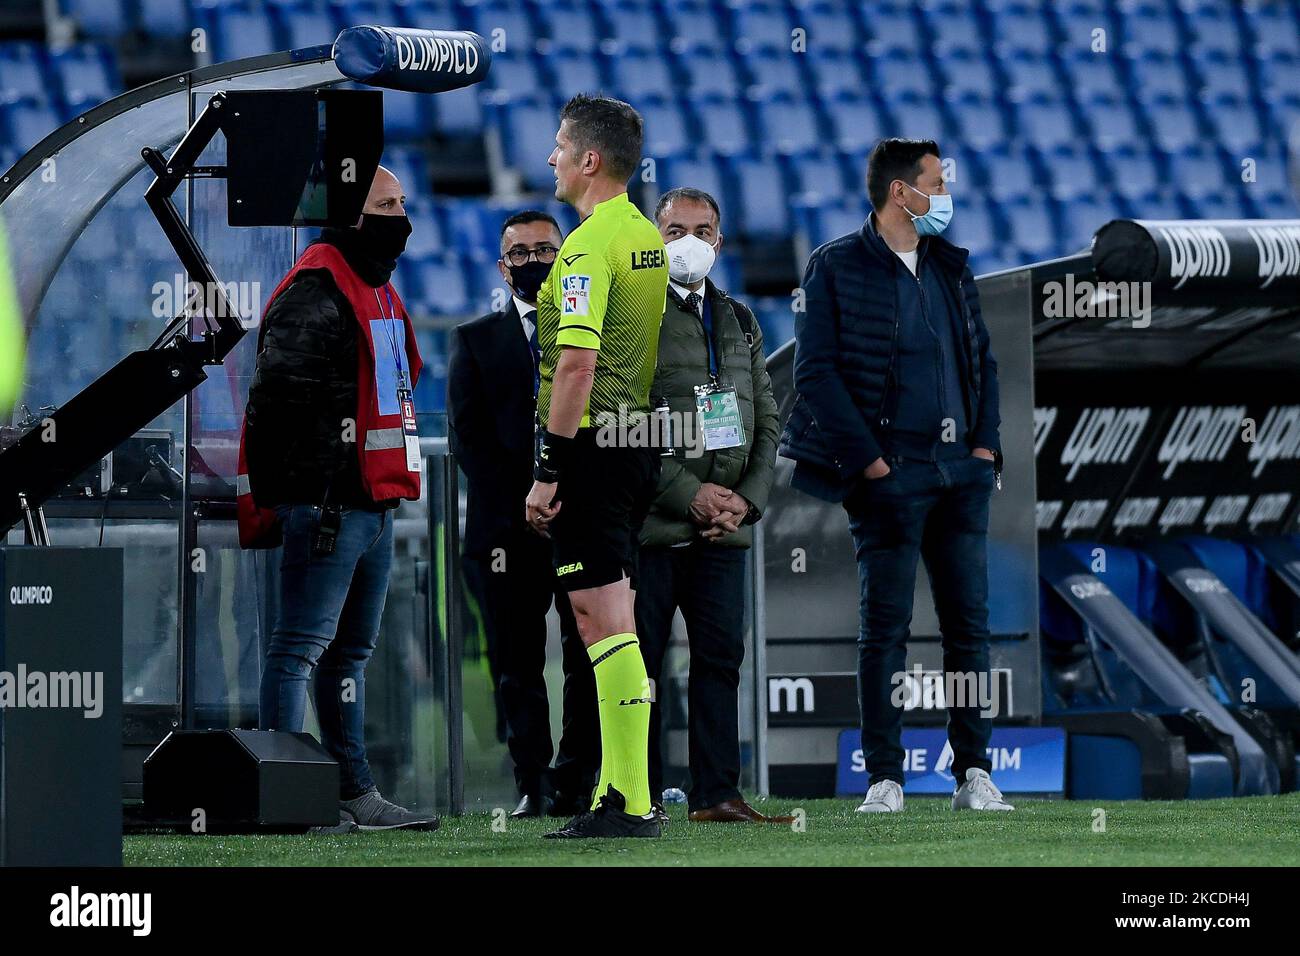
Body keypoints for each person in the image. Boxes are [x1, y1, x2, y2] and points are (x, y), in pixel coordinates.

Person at [780, 138, 1012, 814]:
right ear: (899, 193)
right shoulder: (836, 266)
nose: (945, 195)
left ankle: (974, 772)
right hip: (889, 476)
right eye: (936, 183)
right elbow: (815, 375)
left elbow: (983, 364)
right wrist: (871, 464)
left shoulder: (950, 265)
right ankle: (885, 776)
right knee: (885, 629)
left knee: (969, 625)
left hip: (959, 474)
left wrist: (985, 450)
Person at [241, 165, 439, 831]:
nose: (402, 216)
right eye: (388, 204)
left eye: (403, 202)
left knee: (347, 656)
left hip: (374, 503)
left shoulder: (370, 285)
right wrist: (315, 491)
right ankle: (285, 797)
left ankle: (352, 791)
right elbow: (277, 401)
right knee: (297, 650)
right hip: (332, 505)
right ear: (352, 215)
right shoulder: (317, 289)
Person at [524, 94, 668, 838]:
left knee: (600, 618)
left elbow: (576, 363)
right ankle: (619, 787)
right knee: (614, 618)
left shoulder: (585, 247)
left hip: (591, 450)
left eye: (559, 145)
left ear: (589, 160)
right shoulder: (644, 234)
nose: (549, 157)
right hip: (632, 443)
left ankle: (629, 801)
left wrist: (549, 467)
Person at [636, 186, 790, 823]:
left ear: (720, 242)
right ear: (655, 238)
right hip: (648, 529)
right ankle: (633, 794)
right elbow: (621, 421)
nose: (689, 243)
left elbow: (769, 420)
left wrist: (745, 504)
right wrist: (689, 493)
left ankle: (717, 794)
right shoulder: (632, 314)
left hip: (722, 533)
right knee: (639, 671)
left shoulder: (740, 319)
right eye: (674, 231)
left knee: (720, 662)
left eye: (702, 231)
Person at [448, 209, 598, 819]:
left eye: (546, 250)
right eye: (521, 252)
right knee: (516, 664)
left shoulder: (597, 331)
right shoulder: (476, 339)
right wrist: (530, 498)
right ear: (501, 264)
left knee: (589, 656)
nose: (534, 261)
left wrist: (560, 493)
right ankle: (532, 781)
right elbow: (468, 440)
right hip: (504, 531)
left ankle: (578, 779)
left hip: (584, 521)